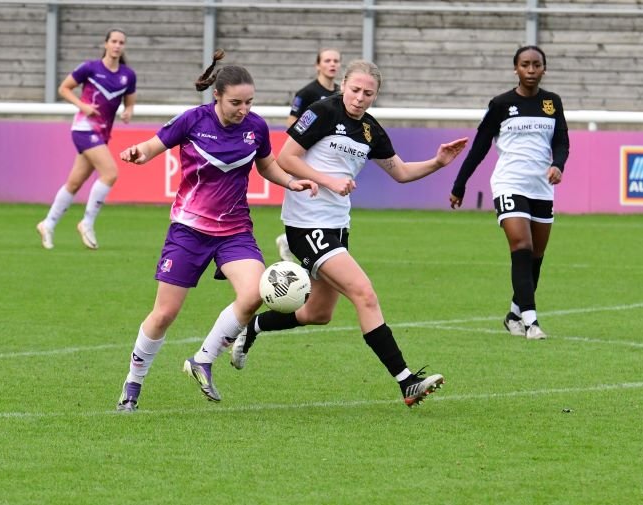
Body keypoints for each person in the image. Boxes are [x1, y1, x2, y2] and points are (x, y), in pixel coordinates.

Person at [230, 59, 469, 408]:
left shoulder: (371, 130)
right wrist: (329, 181)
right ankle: (406, 381)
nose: (359, 98)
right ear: (343, 84)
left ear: (375, 96)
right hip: (306, 224)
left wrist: (436, 163)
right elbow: (286, 157)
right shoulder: (322, 112)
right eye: (354, 90)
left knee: (318, 314)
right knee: (364, 293)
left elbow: (400, 171)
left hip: (337, 226)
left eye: (367, 93)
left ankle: (253, 328)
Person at [114, 50, 318, 412]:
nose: (243, 109)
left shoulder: (255, 127)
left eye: (249, 102)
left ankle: (202, 360)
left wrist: (292, 181)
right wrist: (139, 154)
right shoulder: (193, 120)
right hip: (189, 230)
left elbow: (267, 166)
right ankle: (133, 382)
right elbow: (151, 146)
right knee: (164, 314)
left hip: (235, 230)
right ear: (217, 97)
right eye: (236, 102)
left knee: (255, 293)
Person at [448, 45, 569, 340]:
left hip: (541, 187)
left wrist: (558, 165)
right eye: (525, 64)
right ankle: (531, 322)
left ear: (544, 69)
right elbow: (480, 146)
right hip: (509, 184)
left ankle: (514, 313)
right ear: (515, 68)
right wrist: (460, 183)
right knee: (521, 246)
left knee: (536, 256)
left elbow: (562, 141)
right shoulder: (501, 104)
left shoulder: (552, 103)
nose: (530, 70)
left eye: (536, 65)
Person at [36, 29, 137, 250]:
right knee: (110, 173)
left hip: (102, 133)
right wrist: (82, 106)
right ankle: (87, 222)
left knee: (74, 182)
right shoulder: (90, 68)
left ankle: (48, 223)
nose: (117, 45)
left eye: (121, 42)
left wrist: (128, 112)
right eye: (113, 41)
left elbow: (130, 102)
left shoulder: (127, 75)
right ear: (106, 43)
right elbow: (64, 88)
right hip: (83, 128)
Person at [276, 48, 342, 261]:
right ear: (318, 65)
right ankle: (294, 240)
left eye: (336, 61)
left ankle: (291, 241)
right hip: (309, 157)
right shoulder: (307, 94)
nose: (332, 64)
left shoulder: (342, 93)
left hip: (330, 158)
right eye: (327, 60)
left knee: (326, 203)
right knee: (310, 199)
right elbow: (291, 123)